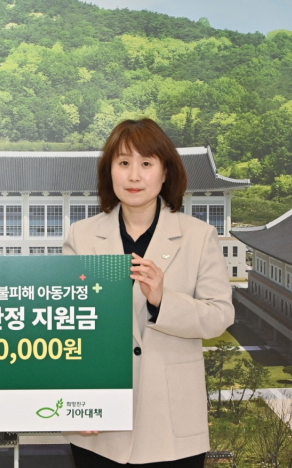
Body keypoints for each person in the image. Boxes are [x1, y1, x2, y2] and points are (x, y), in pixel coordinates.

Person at [63, 118, 234, 467]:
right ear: (109, 171)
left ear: (165, 172)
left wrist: (162, 300)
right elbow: (66, 327)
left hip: (171, 423)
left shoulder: (198, 236)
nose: (134, 176)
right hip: (101, 422)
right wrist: (75, 401)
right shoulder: (81, 236)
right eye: (124, 163)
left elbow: (219, 316)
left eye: (146, 164)